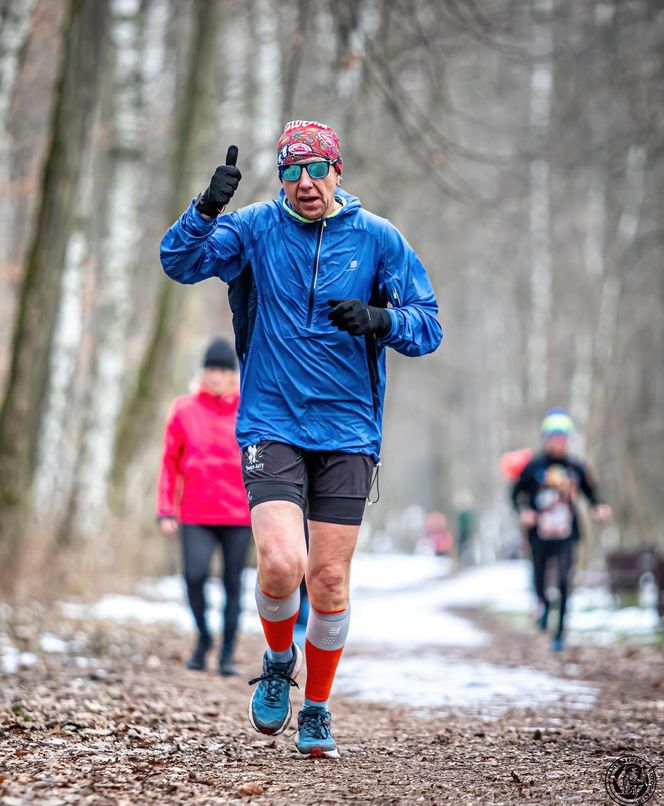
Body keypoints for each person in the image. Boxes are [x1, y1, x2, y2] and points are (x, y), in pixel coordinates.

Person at [160, 120, 442, 757]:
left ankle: (316, 709)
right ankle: (278, 660)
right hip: (272, 422)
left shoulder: (377, 240)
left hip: (347, 431)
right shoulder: (257, 229)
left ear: (338, 170)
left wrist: (380, 318)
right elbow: (177, 262)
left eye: (316, 170)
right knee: (282, 564)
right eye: (291, 172)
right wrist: (206, 208)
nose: (305, 184)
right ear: (280, 177)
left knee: (329, 581)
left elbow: (427, 327)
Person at [157, 337, 252, 676]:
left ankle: (227, 653)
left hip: (240, 514)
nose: (216, 376)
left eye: (223, 370)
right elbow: (170, 461)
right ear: (203, 372)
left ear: (233, 374)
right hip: (196, 512)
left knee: (233, 584)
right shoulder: (184, 409)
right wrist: (165, 509)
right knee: (194, 576)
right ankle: (203, 637)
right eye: (211, 369)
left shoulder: (249, 407)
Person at [510, 409, 612, 652]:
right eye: (553, 437)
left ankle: (559, 633)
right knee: (540, 576)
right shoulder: (534, 466)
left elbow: (590, 491)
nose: (558, 442)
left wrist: (598, 506)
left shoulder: (575, 467)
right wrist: (523, 510)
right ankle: (543, 604)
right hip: (539, 533)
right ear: (545, 439)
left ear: (567, 439)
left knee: (565, 579)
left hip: (567, 532)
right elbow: (515, 494)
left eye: (562, 437)